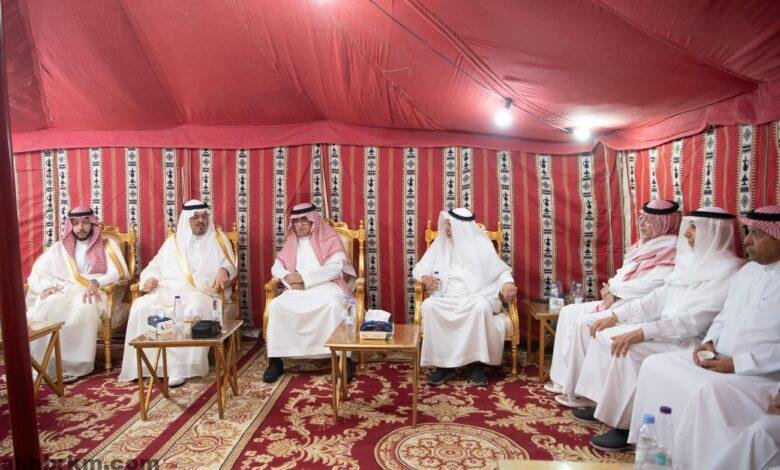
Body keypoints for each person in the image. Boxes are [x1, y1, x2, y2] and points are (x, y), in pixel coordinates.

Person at [572, 207, 745, 451]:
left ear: (714, 233)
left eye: (694, 228)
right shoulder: (691, 262)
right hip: (665, 331)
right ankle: (602, 405)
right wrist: (616, 316)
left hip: (690, 341)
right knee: (606, 336)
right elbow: (656, 299)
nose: (687, 234)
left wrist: (642, 333)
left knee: (628, 350)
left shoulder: (728, 270)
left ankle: (624, 427)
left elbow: (691, 322)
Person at [627, 204, 780, 467]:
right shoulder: (747, 272)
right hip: (718, 357)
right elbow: (724, 316)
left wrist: (738, 364)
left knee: (706, 391)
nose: (747, 241)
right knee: (655, 365)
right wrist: (709, 341)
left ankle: (692, 462)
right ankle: (656, 449)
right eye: (749, 232)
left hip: (758, 374)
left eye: (757, 234)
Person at [548, 199, 680, 403]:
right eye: (642, 219)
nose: (642, 224)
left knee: (585, 323)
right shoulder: (645, 245)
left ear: (663, 223)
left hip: (639, 308)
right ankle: (562, 380)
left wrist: (614, 290)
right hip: (619, 300)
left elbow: (651, 285)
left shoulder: (672, 247)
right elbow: (622, 274)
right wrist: (612, 288)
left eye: (648, 221)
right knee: (568, 311)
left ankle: (579, 392)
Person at [118, 200, 236, 387]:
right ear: (185, 220)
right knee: (141, 306)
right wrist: (150, 279)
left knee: (193, 309)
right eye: (195, 218)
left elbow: (229, 264)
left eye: (204, 217)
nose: (201, 221)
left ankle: (179, 368)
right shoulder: (173, 243)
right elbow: (153, 267)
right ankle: (144, 366)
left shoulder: (218, 239)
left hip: (201, 292)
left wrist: (224, 270)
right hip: (167, 289)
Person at [412, 208, 517, 387]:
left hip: (473, 296)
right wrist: (424, 276)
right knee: (429, 306)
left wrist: (507, 283)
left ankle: (475, 365)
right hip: (446, 296)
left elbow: (501, 271)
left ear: (462, 227)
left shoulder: (481, 244)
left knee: (481, 307)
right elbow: (420, 267)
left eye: (450, 225)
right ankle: (443, 365)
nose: (446, 229)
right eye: (446, 224)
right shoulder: (441, 243)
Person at [26, 207, 128, 383]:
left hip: (94, 291)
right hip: (65, 290)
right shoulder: (61, 247)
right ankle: (47, 362)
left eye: (85, 222)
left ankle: (76, 365)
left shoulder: (107, 244)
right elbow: (38, 273)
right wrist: (46, 287)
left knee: (84, 307)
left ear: (92, 223)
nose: (80, 227)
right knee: (49, 304)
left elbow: (118, 272)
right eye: (75, 223)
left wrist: (95, 284)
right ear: (70, 225)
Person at [263, 203, 356, 384]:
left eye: (304, 220)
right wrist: (290, 278)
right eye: (296, 221)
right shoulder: (292, 242)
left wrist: (304, 279)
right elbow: (276, 267)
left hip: (327, 286)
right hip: (297, 288)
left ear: (313, 221)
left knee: (333, 305)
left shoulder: (328, 238)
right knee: (276, 306)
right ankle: (275, 361)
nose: (299, 225)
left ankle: (344, 358)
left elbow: (335, 268)